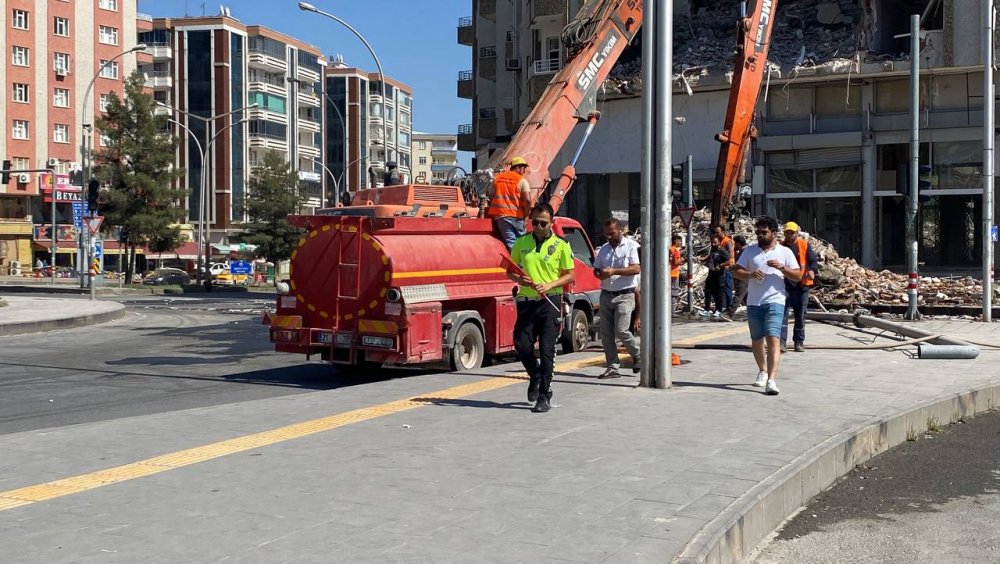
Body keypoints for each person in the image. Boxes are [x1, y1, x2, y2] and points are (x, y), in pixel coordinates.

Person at [508, 203, 575, 413]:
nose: (538, 226)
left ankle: (545, 395)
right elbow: (510, 271)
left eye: (543, 223)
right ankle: (535, 374)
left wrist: (550, 285)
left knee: (547, 350)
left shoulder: (561, 245)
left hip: (550, 302)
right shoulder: (521, 243)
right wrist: (521, 279)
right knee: (522, 344)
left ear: (551, 223)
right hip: (527, 302)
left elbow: (570, 274)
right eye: (534, 222)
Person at [734, 216, 801, 396]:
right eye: (758, 232)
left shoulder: (785, 252)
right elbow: (737, 271)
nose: (760, 235)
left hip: (775, 300)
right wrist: (750, 274)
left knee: (773, 338)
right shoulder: (749, 251)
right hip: (754, 302)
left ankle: (771, 380)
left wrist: (782, 268)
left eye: (764, 232)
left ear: (773, 233)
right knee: (757, 339)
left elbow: (797, 275)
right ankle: (762, 371)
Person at [593, 218, 641, 379]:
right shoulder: (603, 250)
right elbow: (596, 268)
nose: (608, 237)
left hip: (625, 294)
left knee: (621, 330)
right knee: (606, 335)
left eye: (612, 233)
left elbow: (636, 268)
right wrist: (599, 274)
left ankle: (638, 354)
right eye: (606, 234)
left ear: (620, 230)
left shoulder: (631, 246)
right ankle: (612, 367)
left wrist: (614, 271)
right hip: (606, 294)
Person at [780, 221, 819, 353]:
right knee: (782, 315)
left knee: (800, 315)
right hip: (785, 285)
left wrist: (812, 270)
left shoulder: (803, 245)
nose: (789, 235)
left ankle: (799, 341)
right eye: (787, 233)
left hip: (802, 285)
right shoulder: (781, 247)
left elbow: (813, 261)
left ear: (797, 233)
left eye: (792, 233)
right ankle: (781, 342)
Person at [485, 156, 532, 249]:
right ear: (517, 168)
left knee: (512, 243)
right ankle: (523, 262)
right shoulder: (522, 180)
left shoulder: (497, 178)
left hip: (502, 217)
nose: (524, 171)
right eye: (523, 168)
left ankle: (518, 262)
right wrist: (527, 216)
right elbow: (527, 200)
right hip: (518, 217)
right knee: (523, 243)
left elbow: (491, 196)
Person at [699, 234, 729, 319]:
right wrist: (703, 259)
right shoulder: (712, 249)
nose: (713, 244)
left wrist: (720, 265)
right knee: (708, 291)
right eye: (712, 242)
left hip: (719, 275)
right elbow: (710, 257)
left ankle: (719, 310)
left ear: (719, 242)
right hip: (711, 273)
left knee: (718, 293)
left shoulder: (722, 251)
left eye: (715, 242)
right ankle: (707, 309)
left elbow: (728, 261)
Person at [714, 224, 736, 314]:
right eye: (715, 232)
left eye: (717, 232)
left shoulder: (727, 241)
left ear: (723, 232)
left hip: (727, 268)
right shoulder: (719, 241)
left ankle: (729, 308)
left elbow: (731, 255)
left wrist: (725, 265)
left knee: (727, 288)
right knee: (721, 288)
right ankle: (722, 307)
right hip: (721, 268)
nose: (716, 234)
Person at [732, 235, 749, 313]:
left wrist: (734, 266)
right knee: (745, 296)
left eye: (734, 243)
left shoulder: (746, 251)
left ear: (738, 243)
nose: (733, 245)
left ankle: (730, 313)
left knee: (739, 294)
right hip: (743, 276)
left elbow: (742, 264)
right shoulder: (741, 251)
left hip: (744, 276)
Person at [670, 234, 683, 306]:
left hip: (669, 272)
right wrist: (682, 260)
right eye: (680, 241)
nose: (680, 243)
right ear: (675, 241)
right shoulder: (676, 251)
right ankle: (673, 307)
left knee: (670, 290)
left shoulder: (670, 249)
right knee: (674, 290)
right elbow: (676, 262)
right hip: (674, 273)